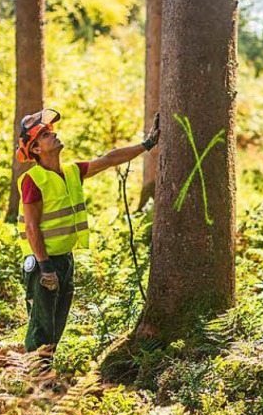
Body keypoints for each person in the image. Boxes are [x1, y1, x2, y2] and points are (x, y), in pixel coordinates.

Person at [15, 108, 160, 351]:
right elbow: (31, 228)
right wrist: (45, 267)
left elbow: (109, 159)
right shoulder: (34, 179)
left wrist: (147, 144)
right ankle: (36, 381)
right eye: (45, 134)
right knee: (42, 327)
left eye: (51, 131)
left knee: (56, 325)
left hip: (65, 260)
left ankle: (44, 377)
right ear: (36, 149)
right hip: (43, 264)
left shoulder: (71, 171)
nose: (54, 134)